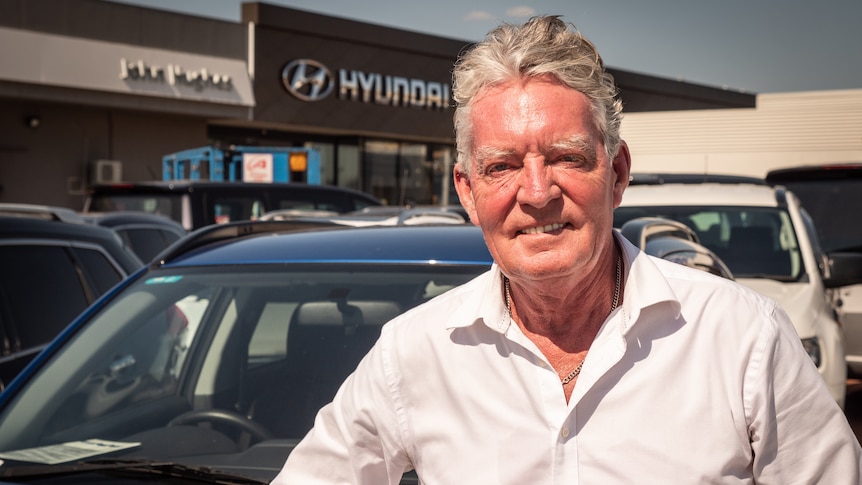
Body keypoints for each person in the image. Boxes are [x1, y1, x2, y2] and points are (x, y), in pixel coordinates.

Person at [273, 16, 861, 484]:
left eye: (565, 157)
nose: (535, 193)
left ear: (618, 171)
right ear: (468, 192)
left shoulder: (742, 340)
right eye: (501, 166)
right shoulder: (414, 353)